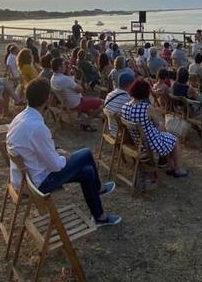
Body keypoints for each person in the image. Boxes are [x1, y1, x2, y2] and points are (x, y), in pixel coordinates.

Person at [7, 78, 120, 226]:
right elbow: (56, 166)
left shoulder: (20, 118)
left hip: (22, 178)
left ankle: (99, 216)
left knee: (87, 172)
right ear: (47, 99)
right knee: (86, 153)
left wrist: (57, 151)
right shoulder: (37, 127)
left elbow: (38, 149)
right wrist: (64, 157)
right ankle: (98, 191)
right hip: (38, 184)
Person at [121, 79, 189, 177]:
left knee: (167, 136)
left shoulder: (125, 107)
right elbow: (158, 124)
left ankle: (170, 166)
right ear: (146, 93)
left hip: (138, 141)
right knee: (174, 139)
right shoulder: (147, 108)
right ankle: (178, 169)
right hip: (150, 143)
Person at [50, 58, 103, 131]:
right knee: (102, 103)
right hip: (76, 104)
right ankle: (85, 123)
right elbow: (80, 90)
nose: (65, 66)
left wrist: (70, 76)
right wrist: (72, 77)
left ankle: (88, 118)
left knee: (90, 107)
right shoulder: (65, 79)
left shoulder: (53, 79)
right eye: (64, 65)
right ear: (59, 67)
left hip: (66, 103)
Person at [103, 72, 136, 137]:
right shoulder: (127, 99)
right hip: (122, 134)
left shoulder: (110, 95)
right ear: (130, 85)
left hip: (112, 130)